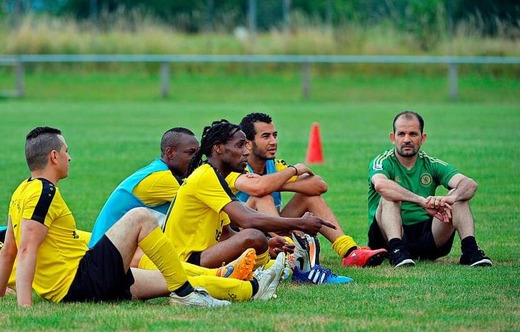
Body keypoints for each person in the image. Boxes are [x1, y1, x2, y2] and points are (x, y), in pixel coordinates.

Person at [0, 126, 283, 307]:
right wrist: (24, 306)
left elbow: (9, 249)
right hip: (79, 281)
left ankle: (251, 288)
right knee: (140, 217)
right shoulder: (43, 194)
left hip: (85, 280)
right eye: (67, 152)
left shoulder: (21, 191)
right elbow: (26, 247)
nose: (70, 158)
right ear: (54, 157)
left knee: (172, 275)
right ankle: (186, 295)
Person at [152, 119, 339, 284]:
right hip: (184, 261)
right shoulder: (205, 176)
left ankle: (275, 267)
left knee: (258, 239)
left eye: (247, 146)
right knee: (254, 236)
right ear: (218, 148)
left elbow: (226, 233)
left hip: (200, 255)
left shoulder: (217, 177)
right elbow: (246, 220)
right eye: (240, 145)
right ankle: (283, 269)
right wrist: (300, 223)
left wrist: (271, 241)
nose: (246, 152)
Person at [235, 112, 387, 269]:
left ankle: (349, 252)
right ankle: (294, 252)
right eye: (266, 136)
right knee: (263, 196)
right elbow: (260, 188)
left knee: (310, 197)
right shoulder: (237, 167)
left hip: (272, 228)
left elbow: (320, 185)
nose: (273, 141)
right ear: (248, 143)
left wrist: (277, 182)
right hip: (242, 235)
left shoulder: (276, 166)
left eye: (275, 135)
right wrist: (294, 171)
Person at [367, 111, 492, 267]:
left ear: (422, 138)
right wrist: (421, 201)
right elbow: (381, 185)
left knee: (459, 195)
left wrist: (451, 198)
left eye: (413, 134)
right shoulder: (382, 161)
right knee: (389, 197)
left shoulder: (431, 163)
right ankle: (397, 252)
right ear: (393, 138)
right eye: (401, 134)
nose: (407, 139)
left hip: (428, 234)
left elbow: (469, 184)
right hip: (388, 237)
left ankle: (470, 251)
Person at [90, 127, 197, 247]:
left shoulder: (157, 170)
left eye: (198, 154)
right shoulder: (161, 178)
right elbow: (203, 204)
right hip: (109, 254)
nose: (196, 159)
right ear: (170, 153)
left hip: (110, 248)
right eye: (190, 153)